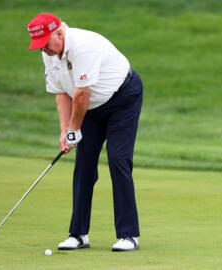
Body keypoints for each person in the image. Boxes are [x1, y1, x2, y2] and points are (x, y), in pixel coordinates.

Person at [27, 13, 142, 252]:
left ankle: (129, 235)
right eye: (40, 46)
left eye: (46, 44)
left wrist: (74, 129)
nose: (44, 50)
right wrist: (65, 131)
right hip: (89, 107)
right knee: (84, 164)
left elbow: (81, 94)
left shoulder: (82, 47)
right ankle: (78, 234)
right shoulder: (48, 54)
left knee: (118, 159)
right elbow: (62, 93)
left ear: (59, 33)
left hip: (123, 98)